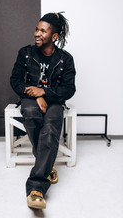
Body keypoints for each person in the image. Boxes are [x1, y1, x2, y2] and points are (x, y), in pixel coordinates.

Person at [10, 12, 76, 209]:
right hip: (30, 99)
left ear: (54, 36)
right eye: (37, 29)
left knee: (51, 128)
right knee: (30, 113)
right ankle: (48, 166)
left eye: (43, 31)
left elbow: (69, 89)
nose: (37, 33)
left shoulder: (66, 59)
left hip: (55, 102)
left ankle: (36, 188)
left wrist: (45, 92)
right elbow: (15, 80)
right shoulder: (25, 53)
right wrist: (37, 94)